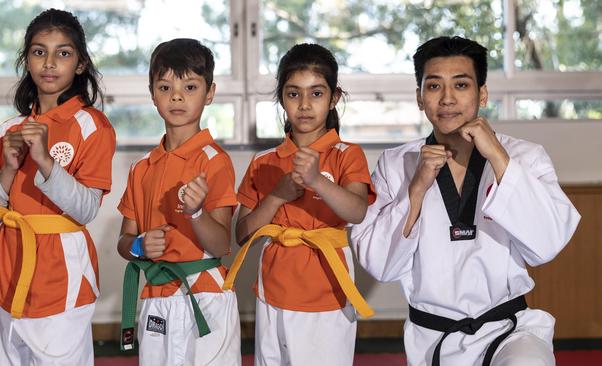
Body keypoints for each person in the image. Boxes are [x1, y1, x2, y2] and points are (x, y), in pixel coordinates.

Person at [350, 36, 581, 366]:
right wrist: (415, 191)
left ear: (482, 93)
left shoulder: (523, 156)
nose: (447, 98)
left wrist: (498, 158)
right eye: (433, 86)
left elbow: (547, 244)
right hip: (433, 339)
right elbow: (381, 266)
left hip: (511, 332)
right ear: (419, 97)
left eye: (461, 84)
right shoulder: (396, 163)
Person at [0, 8, 115, 365]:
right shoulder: (9, 129)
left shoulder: (92, 125)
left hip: (63, 276)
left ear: (81, 64)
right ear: (27, 60)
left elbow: (86, 209)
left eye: (63, 53)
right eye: (39, 51)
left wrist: (44, 161)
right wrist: (8, 170)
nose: (50, 62)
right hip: (12, 268)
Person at [224, 43, 375, 366]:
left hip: (327, 293)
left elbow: (357, 211)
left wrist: (317, 180)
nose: (305, 105)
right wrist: (277, 195)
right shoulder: (265, 161)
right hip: (272, 292)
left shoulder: (347, 154)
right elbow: (242, 233)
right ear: (282, 98)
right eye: (294, 94)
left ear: (334, 98)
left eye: (316, 94)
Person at [116, 38, 241, 366]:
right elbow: (124, 241)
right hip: (157, 295)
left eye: (189, 86)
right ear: (152, 93)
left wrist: (196, 213)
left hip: (207, 296)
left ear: (209, 93)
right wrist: (140, 246)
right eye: (165, 86)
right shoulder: (140, 167)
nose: (176, 96)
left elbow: (220, 244)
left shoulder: (214, 161)